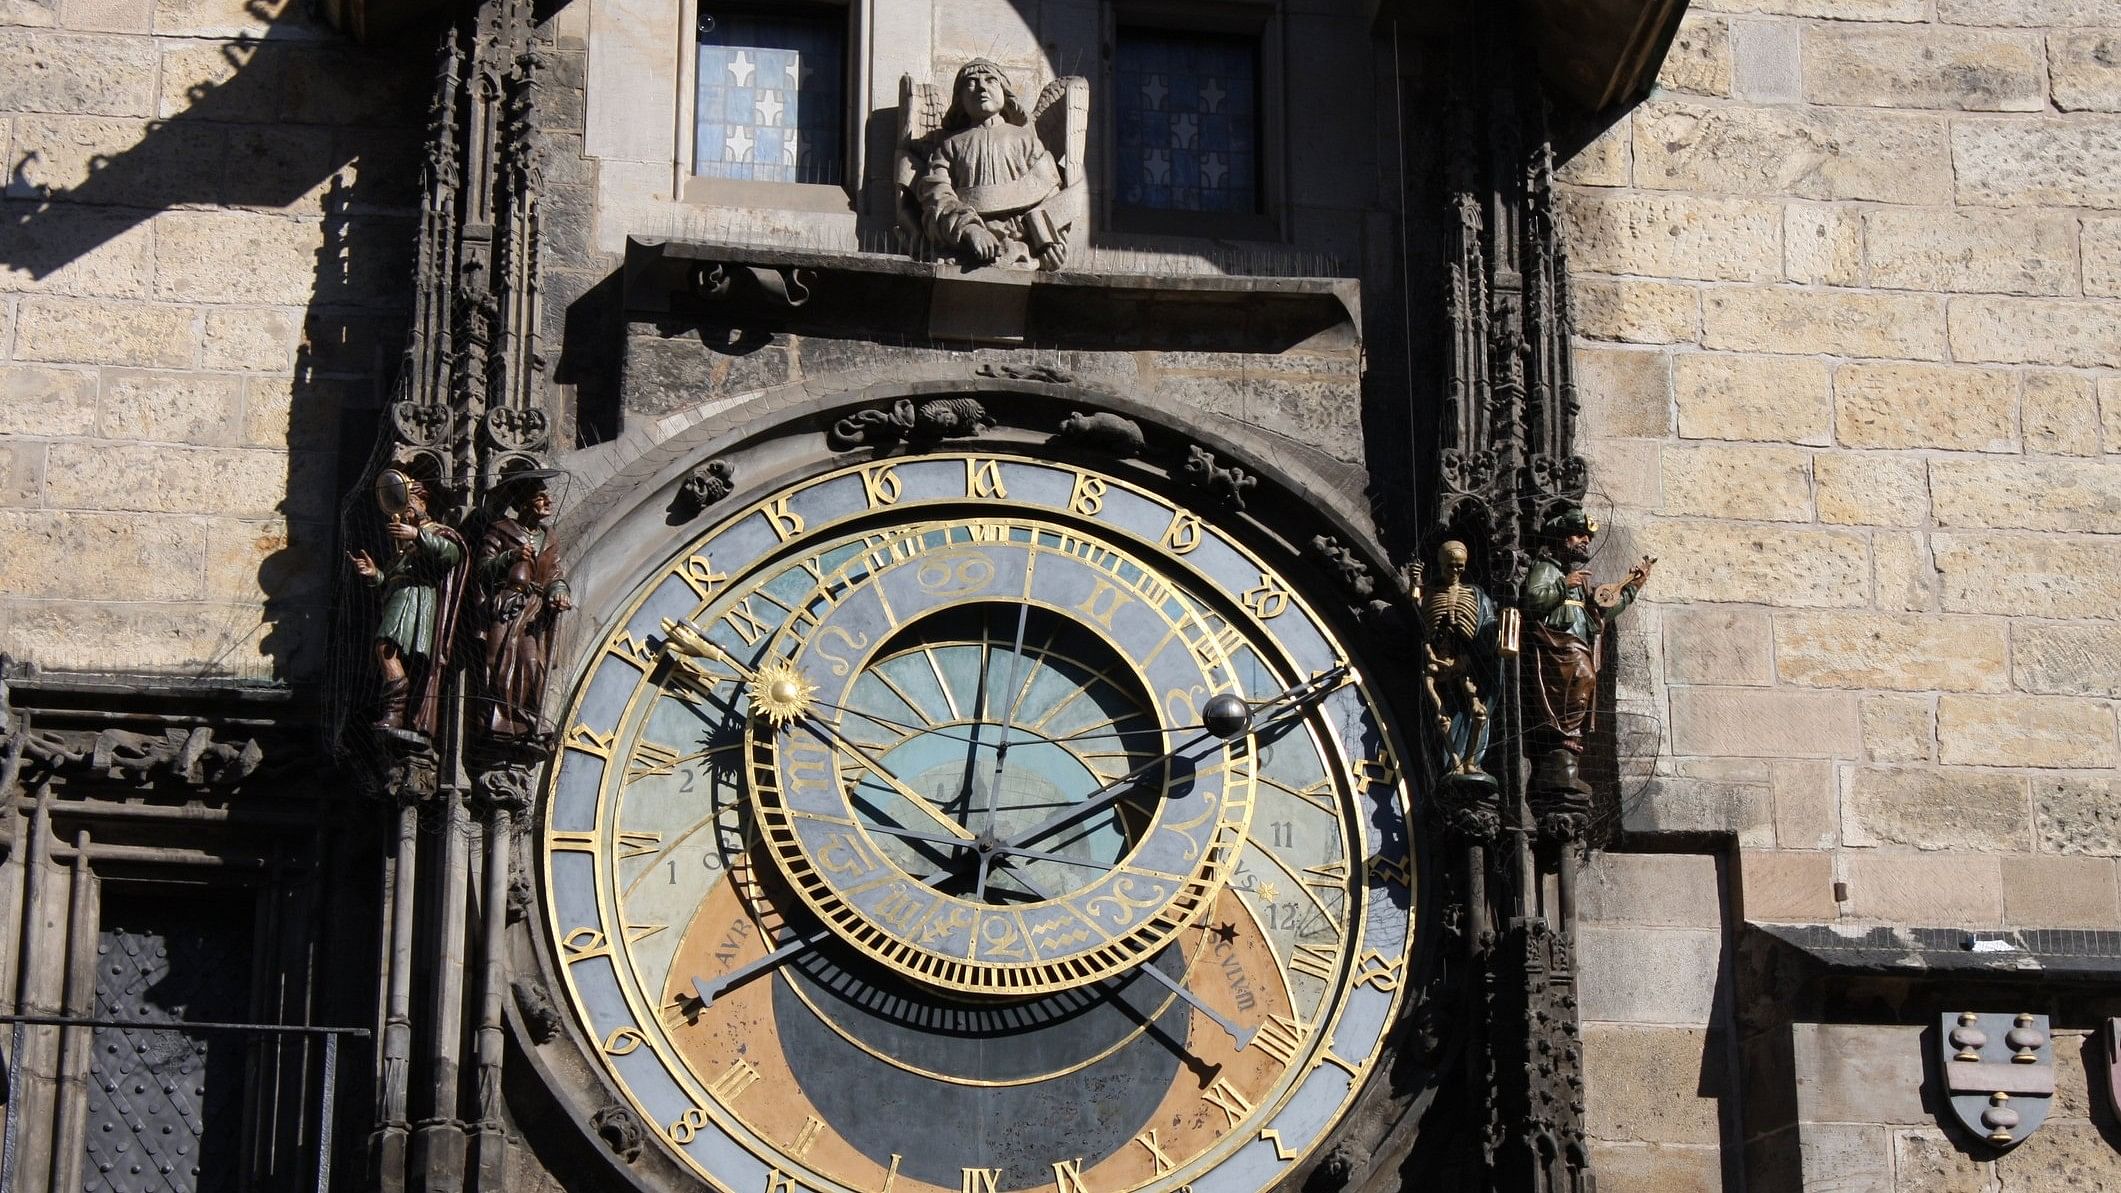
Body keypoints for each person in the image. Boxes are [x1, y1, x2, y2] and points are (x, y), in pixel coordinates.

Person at [1520, 507, 1652, 799]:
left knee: (1583, 687)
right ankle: (1557, 764)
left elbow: (1599, 614)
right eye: (1579, 535)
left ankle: (1565, 763)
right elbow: (1531, 600)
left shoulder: (1580, 579)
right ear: (1563, 538)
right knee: (1580, 680)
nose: (1585, 542)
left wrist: (1631, 589)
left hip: (1576, 645)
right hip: (1558, 648)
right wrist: (1562, 584)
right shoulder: (1549, 569)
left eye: (1588, 537)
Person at [917, 59, 1069, 271]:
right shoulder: (949, 145)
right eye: (971, 82)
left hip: (1020, 245)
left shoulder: (1025, 140)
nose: (981, 87)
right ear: (959, 99)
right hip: (965, 245)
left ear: (1004, 93)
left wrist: (1049, 242)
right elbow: (935, 195)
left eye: (991, 80)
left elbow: (1049, 191)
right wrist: (969, 229)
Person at [348, 472, 468, 739]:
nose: (407, 506)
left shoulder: (437, 531)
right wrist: (374, 575)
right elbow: (391, 578)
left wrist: (417, 534)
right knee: (391, 652)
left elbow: (452, 553)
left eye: (411, 499)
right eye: (405, 501)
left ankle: (395, 712)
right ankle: (397, 713)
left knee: (386, 648)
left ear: (424, 503)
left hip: (417, 599)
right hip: (401, 598)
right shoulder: (402, 547)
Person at [476, 469, 572, 745]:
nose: (548, 503)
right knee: (499, 662)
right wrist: (510, 557)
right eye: (541, 498)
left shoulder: (549, 538)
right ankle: (498, 722)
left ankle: (526, 721)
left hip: (534, 610)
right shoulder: (501, 529)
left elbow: (555, 575)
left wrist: (559, 593)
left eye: (547, 498)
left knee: (532, 664)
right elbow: (483, 570)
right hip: (507, 605)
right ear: (524, 503)